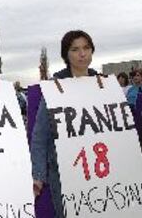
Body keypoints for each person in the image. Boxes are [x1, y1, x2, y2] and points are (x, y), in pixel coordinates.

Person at [30, 30, 98, 218]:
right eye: (75, 49)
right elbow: (40, 135)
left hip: (100, 170)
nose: (82, 54)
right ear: (66, 55)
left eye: (86, 48)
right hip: (64, 173)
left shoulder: (103, 85)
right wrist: (38, 175)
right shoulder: (55, 87)